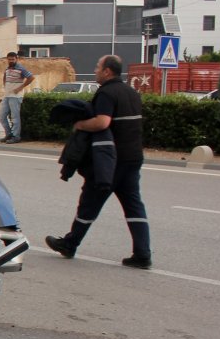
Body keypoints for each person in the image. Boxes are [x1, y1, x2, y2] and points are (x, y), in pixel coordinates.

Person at [45, 55, 151, 269]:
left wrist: (80, 125)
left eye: (97, 67)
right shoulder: (131, 93)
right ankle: (142, 253)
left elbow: (102, 122)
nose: (95, 71)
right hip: (133, 158)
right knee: (134, 206)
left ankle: (69, 243)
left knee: (89, 203)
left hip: (110, 161)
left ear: (107, 71)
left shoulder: (106, 93)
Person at [0, 51, 34, 143]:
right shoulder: (7, 68)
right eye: (9, 59)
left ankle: (16, 136)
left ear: (16, 59)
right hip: (7, 95)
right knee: (1, 116)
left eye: (13, 59)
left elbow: (31, 77)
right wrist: (5, 86)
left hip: (15, 96)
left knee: (15, 117)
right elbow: (4, 77)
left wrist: (20, 87)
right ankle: (9, 134)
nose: (11, 61)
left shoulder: (21, 68)